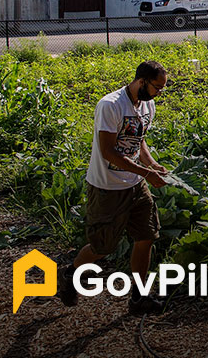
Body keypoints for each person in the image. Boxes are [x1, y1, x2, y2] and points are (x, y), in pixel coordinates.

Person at [57, 61, 171, 315]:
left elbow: (137, 141)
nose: (158, 94)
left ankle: (139, 297)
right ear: (141, 81)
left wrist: (151, 164)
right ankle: (70, 274)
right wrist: (146, 172)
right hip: (107, 188)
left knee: (146, 236)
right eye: (156, 88)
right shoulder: (110, 105)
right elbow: (108, 151)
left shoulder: (147, 105)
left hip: (135, 185)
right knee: (103, 247)